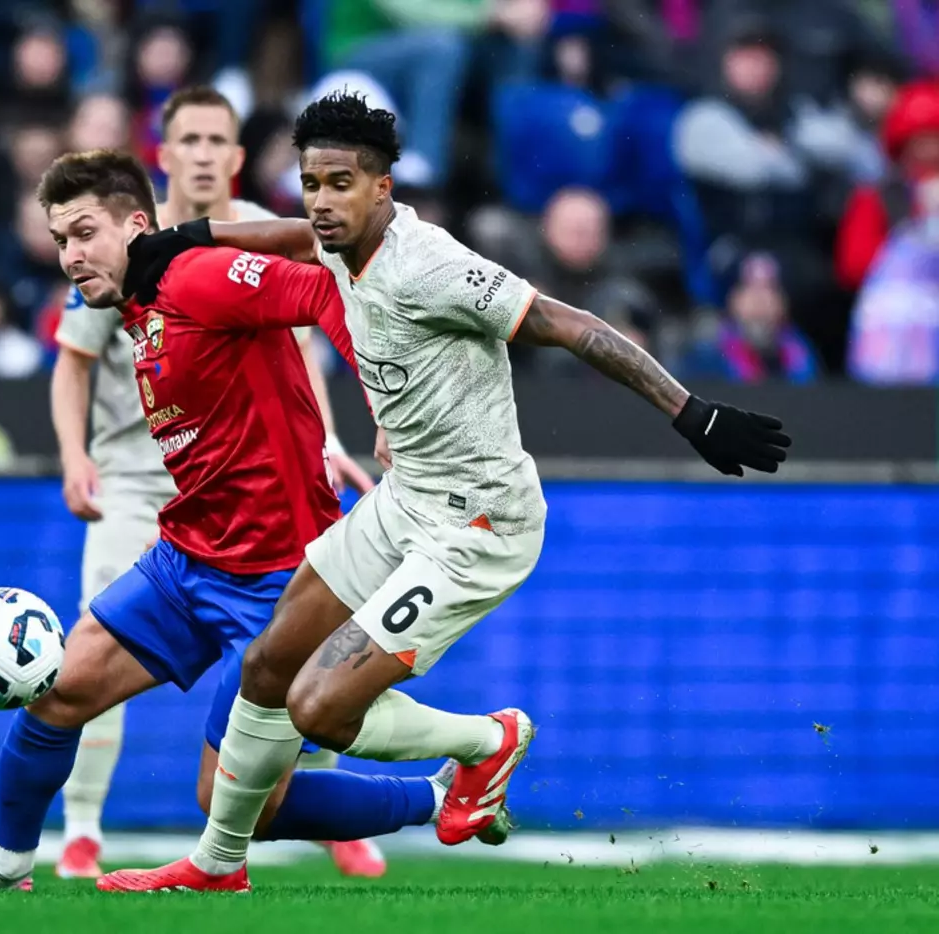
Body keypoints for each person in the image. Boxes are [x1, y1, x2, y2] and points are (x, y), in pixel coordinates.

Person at [97, 90, 792, 893]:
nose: (321, 202)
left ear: (383, 189)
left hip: (477, 526)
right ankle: (219, 865)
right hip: (406, 499)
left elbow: (571, 325)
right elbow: (294, 234)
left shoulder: (432, 268)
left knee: (320, 709)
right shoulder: (337, 237)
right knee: (267, 664)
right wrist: (194, 235)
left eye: (340, 184)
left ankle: (487, 742)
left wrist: (691, 411)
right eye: (311, 183)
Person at [0, 148, 500, 895]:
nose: (71, 255)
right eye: (59, 240)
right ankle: (5, 862)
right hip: (187, 559)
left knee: (238, 804)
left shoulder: (199, 278)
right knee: (59, 690)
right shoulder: (136, 309)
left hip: (284, 580)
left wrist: (386, 407)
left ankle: (439, 795)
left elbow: (324, 288)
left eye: (84, 233)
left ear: (135, 226)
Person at [47, 86, 378, 881]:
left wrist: (335, 438)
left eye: (214, 139)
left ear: (236, 155)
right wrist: (73, 455)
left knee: (296, 676)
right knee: (87, 657)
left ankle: (326, 811)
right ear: (163, 156)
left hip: (251, 490)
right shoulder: (110, 236)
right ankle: (81, 827)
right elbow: (75, 358)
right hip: (138, 480)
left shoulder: (252, 235)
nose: (201, 153)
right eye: (187, 139)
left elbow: (306, 332)